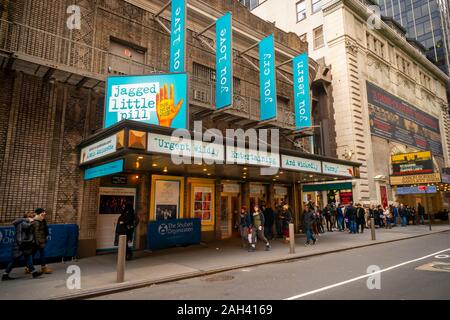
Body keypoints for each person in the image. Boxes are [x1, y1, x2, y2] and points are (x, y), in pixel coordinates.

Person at [2, 213, 43, 280]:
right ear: (27, 217)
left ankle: (34, 273)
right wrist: (33, 220)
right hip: (20, 244)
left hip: (24, 243)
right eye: (31, 216)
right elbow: (27, 226)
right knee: (14, 260)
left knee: (28, 257)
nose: (32, 218)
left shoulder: (24, 222)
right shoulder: (22, 223)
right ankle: (5, 274)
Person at [28, 208, 52, 274]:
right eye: (43, 212)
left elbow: (43, 230)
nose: (45, 213)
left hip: (40, 240)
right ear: (39, 213)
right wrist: (38, 242)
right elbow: (36, 233)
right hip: (38, 241)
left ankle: (28, 268)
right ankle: (43, 268)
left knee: (33, 254)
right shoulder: (37, 221)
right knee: (41, 254)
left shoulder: (41, 220)